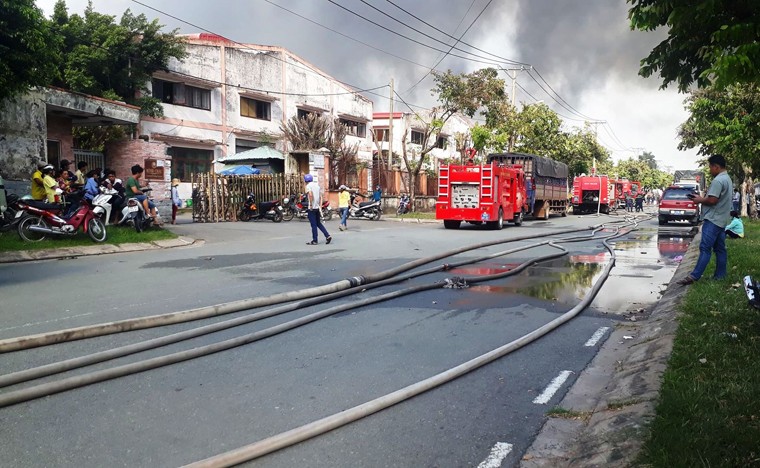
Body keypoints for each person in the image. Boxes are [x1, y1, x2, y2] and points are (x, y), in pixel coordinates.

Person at [677, 154, 733, 285]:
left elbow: (713, 200)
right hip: (722, 219)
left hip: (713, 219)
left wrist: (699, 200)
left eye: (710, 167)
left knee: (705, 248)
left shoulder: (718, 180)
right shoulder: (727, 178)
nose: (709, 170)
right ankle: (720, 276)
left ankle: (694, 276)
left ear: (716, 167)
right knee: (720, 249)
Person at [304, 174, 331, 245]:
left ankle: (315, 240)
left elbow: (310, 194)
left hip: (312, 208)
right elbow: (321, 196)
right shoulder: (317, 186)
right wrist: (320, 205)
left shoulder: (308, 186)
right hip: (317, 207)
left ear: (306, 180)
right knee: (318, 223)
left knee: (313, 225)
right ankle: (327, 235)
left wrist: (310, 204)